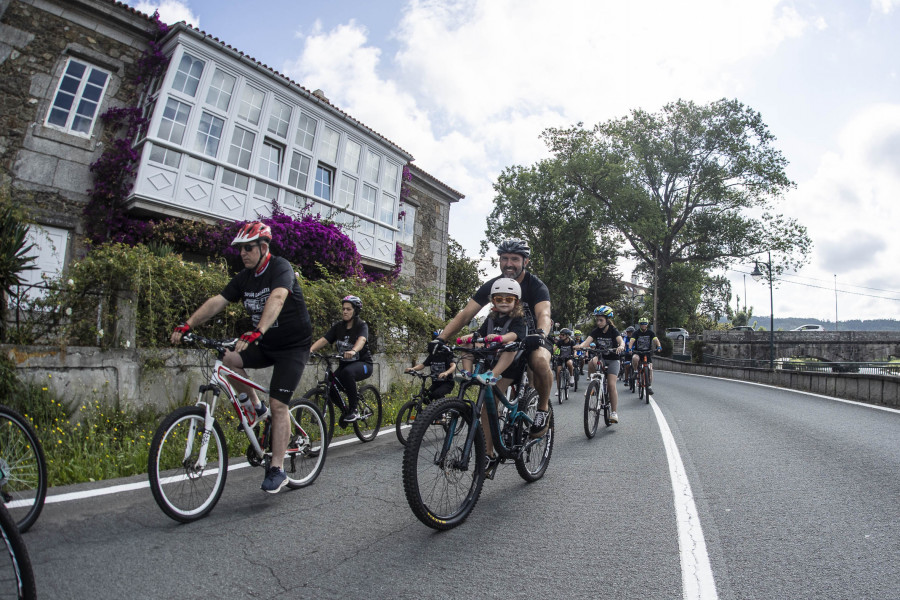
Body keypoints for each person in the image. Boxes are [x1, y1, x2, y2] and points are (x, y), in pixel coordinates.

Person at [171, 221, 312, 494]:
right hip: (265, 342)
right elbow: (218, 301)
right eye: (240, 249)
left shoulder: (280, 267)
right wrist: (187, 325)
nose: (242, 254)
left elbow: (279, 297)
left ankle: (277, 468)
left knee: (279, 404)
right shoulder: (244, 277)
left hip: (293, 346)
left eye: (247, 248)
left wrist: (257, 330)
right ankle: (255, 407)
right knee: (229, 359)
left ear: (263, 247)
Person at [437, 239, 553, 438]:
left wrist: (540, 334)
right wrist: (441, 340)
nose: (509, 264)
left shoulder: (536, 286)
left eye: (515, 259)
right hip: (502, 341)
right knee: (488, 400)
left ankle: (543, 409)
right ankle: (488, 458)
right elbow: (466, 314)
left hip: (532, 337)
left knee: (539, 360)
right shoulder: (494, 285)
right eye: (504, 258)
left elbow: (544, 314)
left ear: (525, 262)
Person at [455, 278, 526, 474]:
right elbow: (479, 335)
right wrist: (468, 338)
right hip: (489, 360)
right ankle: (467, 373)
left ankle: (488, 453)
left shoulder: (518, 320)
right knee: (466, 345)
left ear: (516, 302)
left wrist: (502, 338)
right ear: (493, 301)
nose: (503, 302)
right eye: (499, 298)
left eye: (508, 298)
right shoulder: (491, 319)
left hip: (508, 368)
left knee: (489, 403)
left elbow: (515, 336)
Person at [309, 295, 373, 424]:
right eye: (343, 309)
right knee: (330, 386)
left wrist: (353, 351)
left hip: (363, 364)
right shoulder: (338, 327)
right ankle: (346, 410)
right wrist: (310, 350)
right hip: (344, 365)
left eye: (348, 309)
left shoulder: (361, 325)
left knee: (348, 373)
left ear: (355, 311)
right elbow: (324, 340)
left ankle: (354, 410)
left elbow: (362, 340)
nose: (345, 311)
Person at [576, 305, 625, 423]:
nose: (598, 322)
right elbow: (587, 342)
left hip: (613, 359)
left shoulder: (613, 330)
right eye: (597, 320)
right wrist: (580, 346)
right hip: (601, 357)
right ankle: (594, 385)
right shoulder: (596, 331)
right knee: (592, 362)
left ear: (607, 320)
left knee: (611, 385)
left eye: (601, 320)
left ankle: (613, 412)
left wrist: (622, 346)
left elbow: (620, 341)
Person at [405, 331, 456, 403]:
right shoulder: (432, 355)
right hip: (435, 383)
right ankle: (432, 413)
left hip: (447, 383)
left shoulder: (446, 355)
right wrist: (412, 369)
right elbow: (423, 365)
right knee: (426, 398)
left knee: (437, 394)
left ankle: (444, 412)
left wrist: (446, 373)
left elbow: (453, 365)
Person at [628, 317, 662, 395]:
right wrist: (630, 348)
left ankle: (649, 386)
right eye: (642, 324)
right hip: (638, 351)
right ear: (640, 325)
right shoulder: (636, 333)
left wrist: (659, 346)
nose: (643, 325)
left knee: (650, 369)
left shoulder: (650, 332)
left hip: (647, 352)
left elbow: (656, 340)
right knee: (635, 358)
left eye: (645, 324)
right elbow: (632, 341)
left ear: (647, 325)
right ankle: (636, 371)